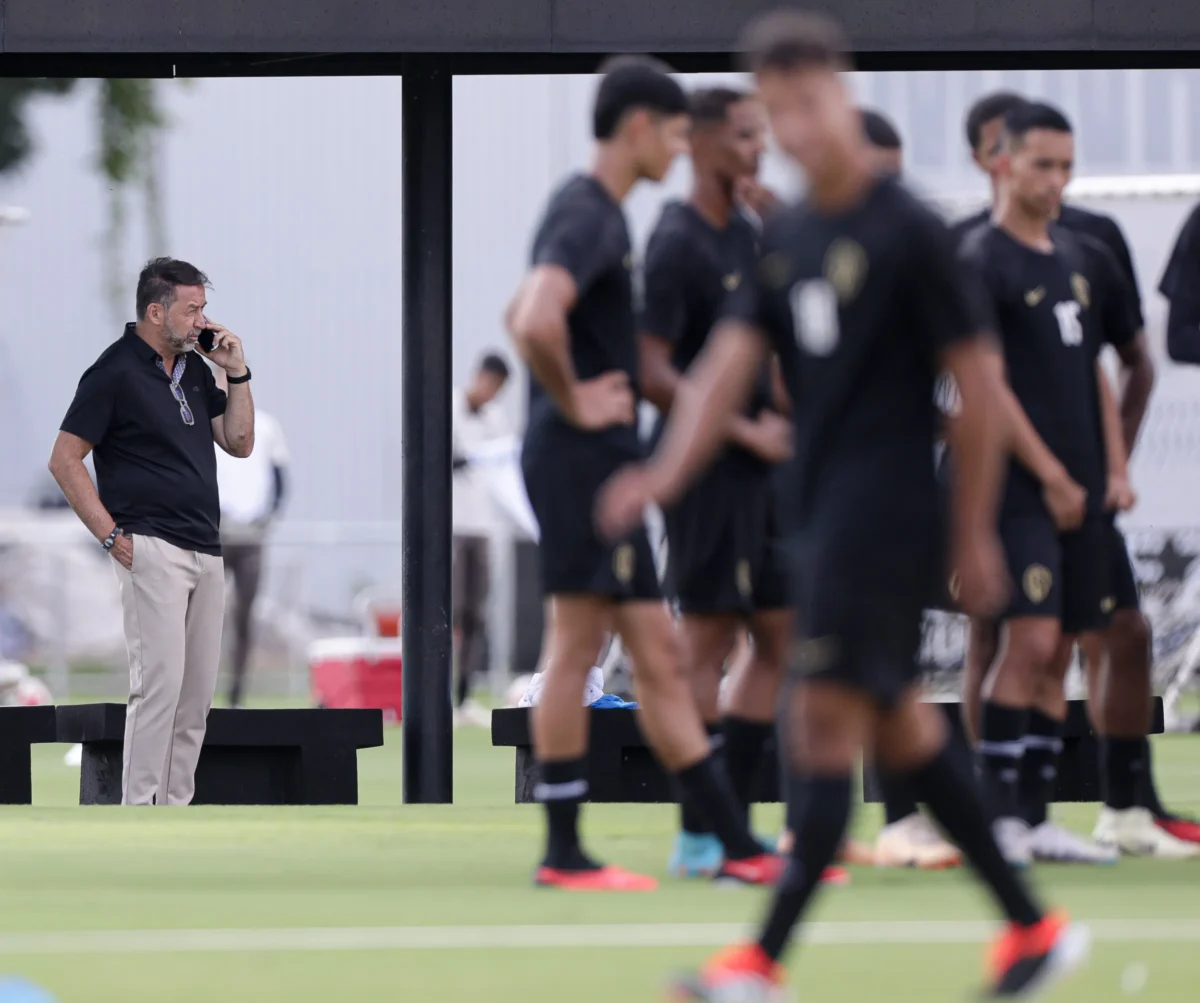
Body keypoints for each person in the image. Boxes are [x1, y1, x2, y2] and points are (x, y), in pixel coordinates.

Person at [598, 13, 1087, 998]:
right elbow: (724, 370)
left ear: (844, 96)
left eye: (812, 102)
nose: (798, 126)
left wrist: (973, 526)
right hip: (816, 510)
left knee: (822, 719)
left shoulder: (904, 227)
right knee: (896, 725)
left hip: (888, 516)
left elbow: (981, 387)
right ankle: (1033, 927)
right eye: (778, 110)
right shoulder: (790, 235)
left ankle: (762, 962)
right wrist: (660, 473)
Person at [504, 55, 782, 892]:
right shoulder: (593, 213)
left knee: (649, 654)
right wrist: (578, 400)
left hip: (591, 458)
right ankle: (573, 851)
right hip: (584, 459)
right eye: (670, 130)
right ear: (638, 128)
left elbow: (526, 311)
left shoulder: (596, 215)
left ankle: (724, 841)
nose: (677, 145)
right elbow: (531, 319)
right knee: (588, 648)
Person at [954, 92, 1198, 855]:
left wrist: (1113, 465)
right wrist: (1050, 473)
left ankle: (1060, 813)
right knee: (1022, 644)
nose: (1056, 179)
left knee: (1087, 639)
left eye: (1066, 166)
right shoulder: (977, 258)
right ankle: (998, 815)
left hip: (1084, 495)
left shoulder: (1084, 255)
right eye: (1041, 164)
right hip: (1014, 491)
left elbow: (1112, 365)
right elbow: (984, 384)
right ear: (1000, 163)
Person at [639, 86, 847, 882]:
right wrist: (739, 428)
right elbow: (652, 365)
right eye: (745, 137)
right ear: (696, 142)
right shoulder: (677, 239)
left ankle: (739, 827)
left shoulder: (754, 235)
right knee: (709, 638)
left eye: (763, 136)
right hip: (708, 473)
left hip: (768, 476)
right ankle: (703, 837)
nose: (759, 150)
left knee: (784, 638)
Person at [49, 257, 255, 805]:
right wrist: (112, 538)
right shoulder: (113, 371)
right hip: (151, 547)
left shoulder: (194, 370)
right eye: (192, 310)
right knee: (158, 690)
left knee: (195, 700)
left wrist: (236, 372)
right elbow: (65, 460)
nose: (202, 321)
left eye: (203, 309)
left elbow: (239, 442)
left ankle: (175, 809)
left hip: (206, 550)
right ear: (155, 310)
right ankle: (139, 811)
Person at [213, 368, 289, 708]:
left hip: (251, 535)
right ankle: (194, 690)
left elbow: (280, 476)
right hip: (216, 532)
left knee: (245, 614)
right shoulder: (208, 422)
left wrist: (268, 516)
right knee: (203, 612)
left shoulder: (267, 427)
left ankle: (236, 693)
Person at [451, 352, 511, 727]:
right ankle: (432, 694)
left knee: (475, 615)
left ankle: (463, 697)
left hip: (485, 528)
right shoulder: (450, 409)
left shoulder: (498, 421)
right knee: (449, 611)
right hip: (452, 527)